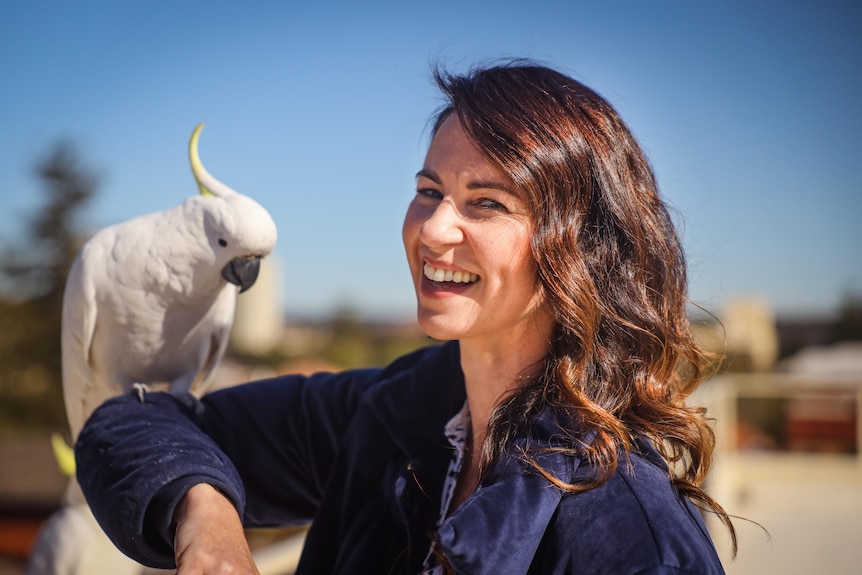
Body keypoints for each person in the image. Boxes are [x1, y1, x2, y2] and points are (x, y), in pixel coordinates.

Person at [76, 60, 733, 574]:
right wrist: (209, 525)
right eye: (428, 192)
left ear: (580, 246)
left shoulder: (638, 545)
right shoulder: (389, 414)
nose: (434, 228)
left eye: (487, 202)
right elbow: (133, 421)